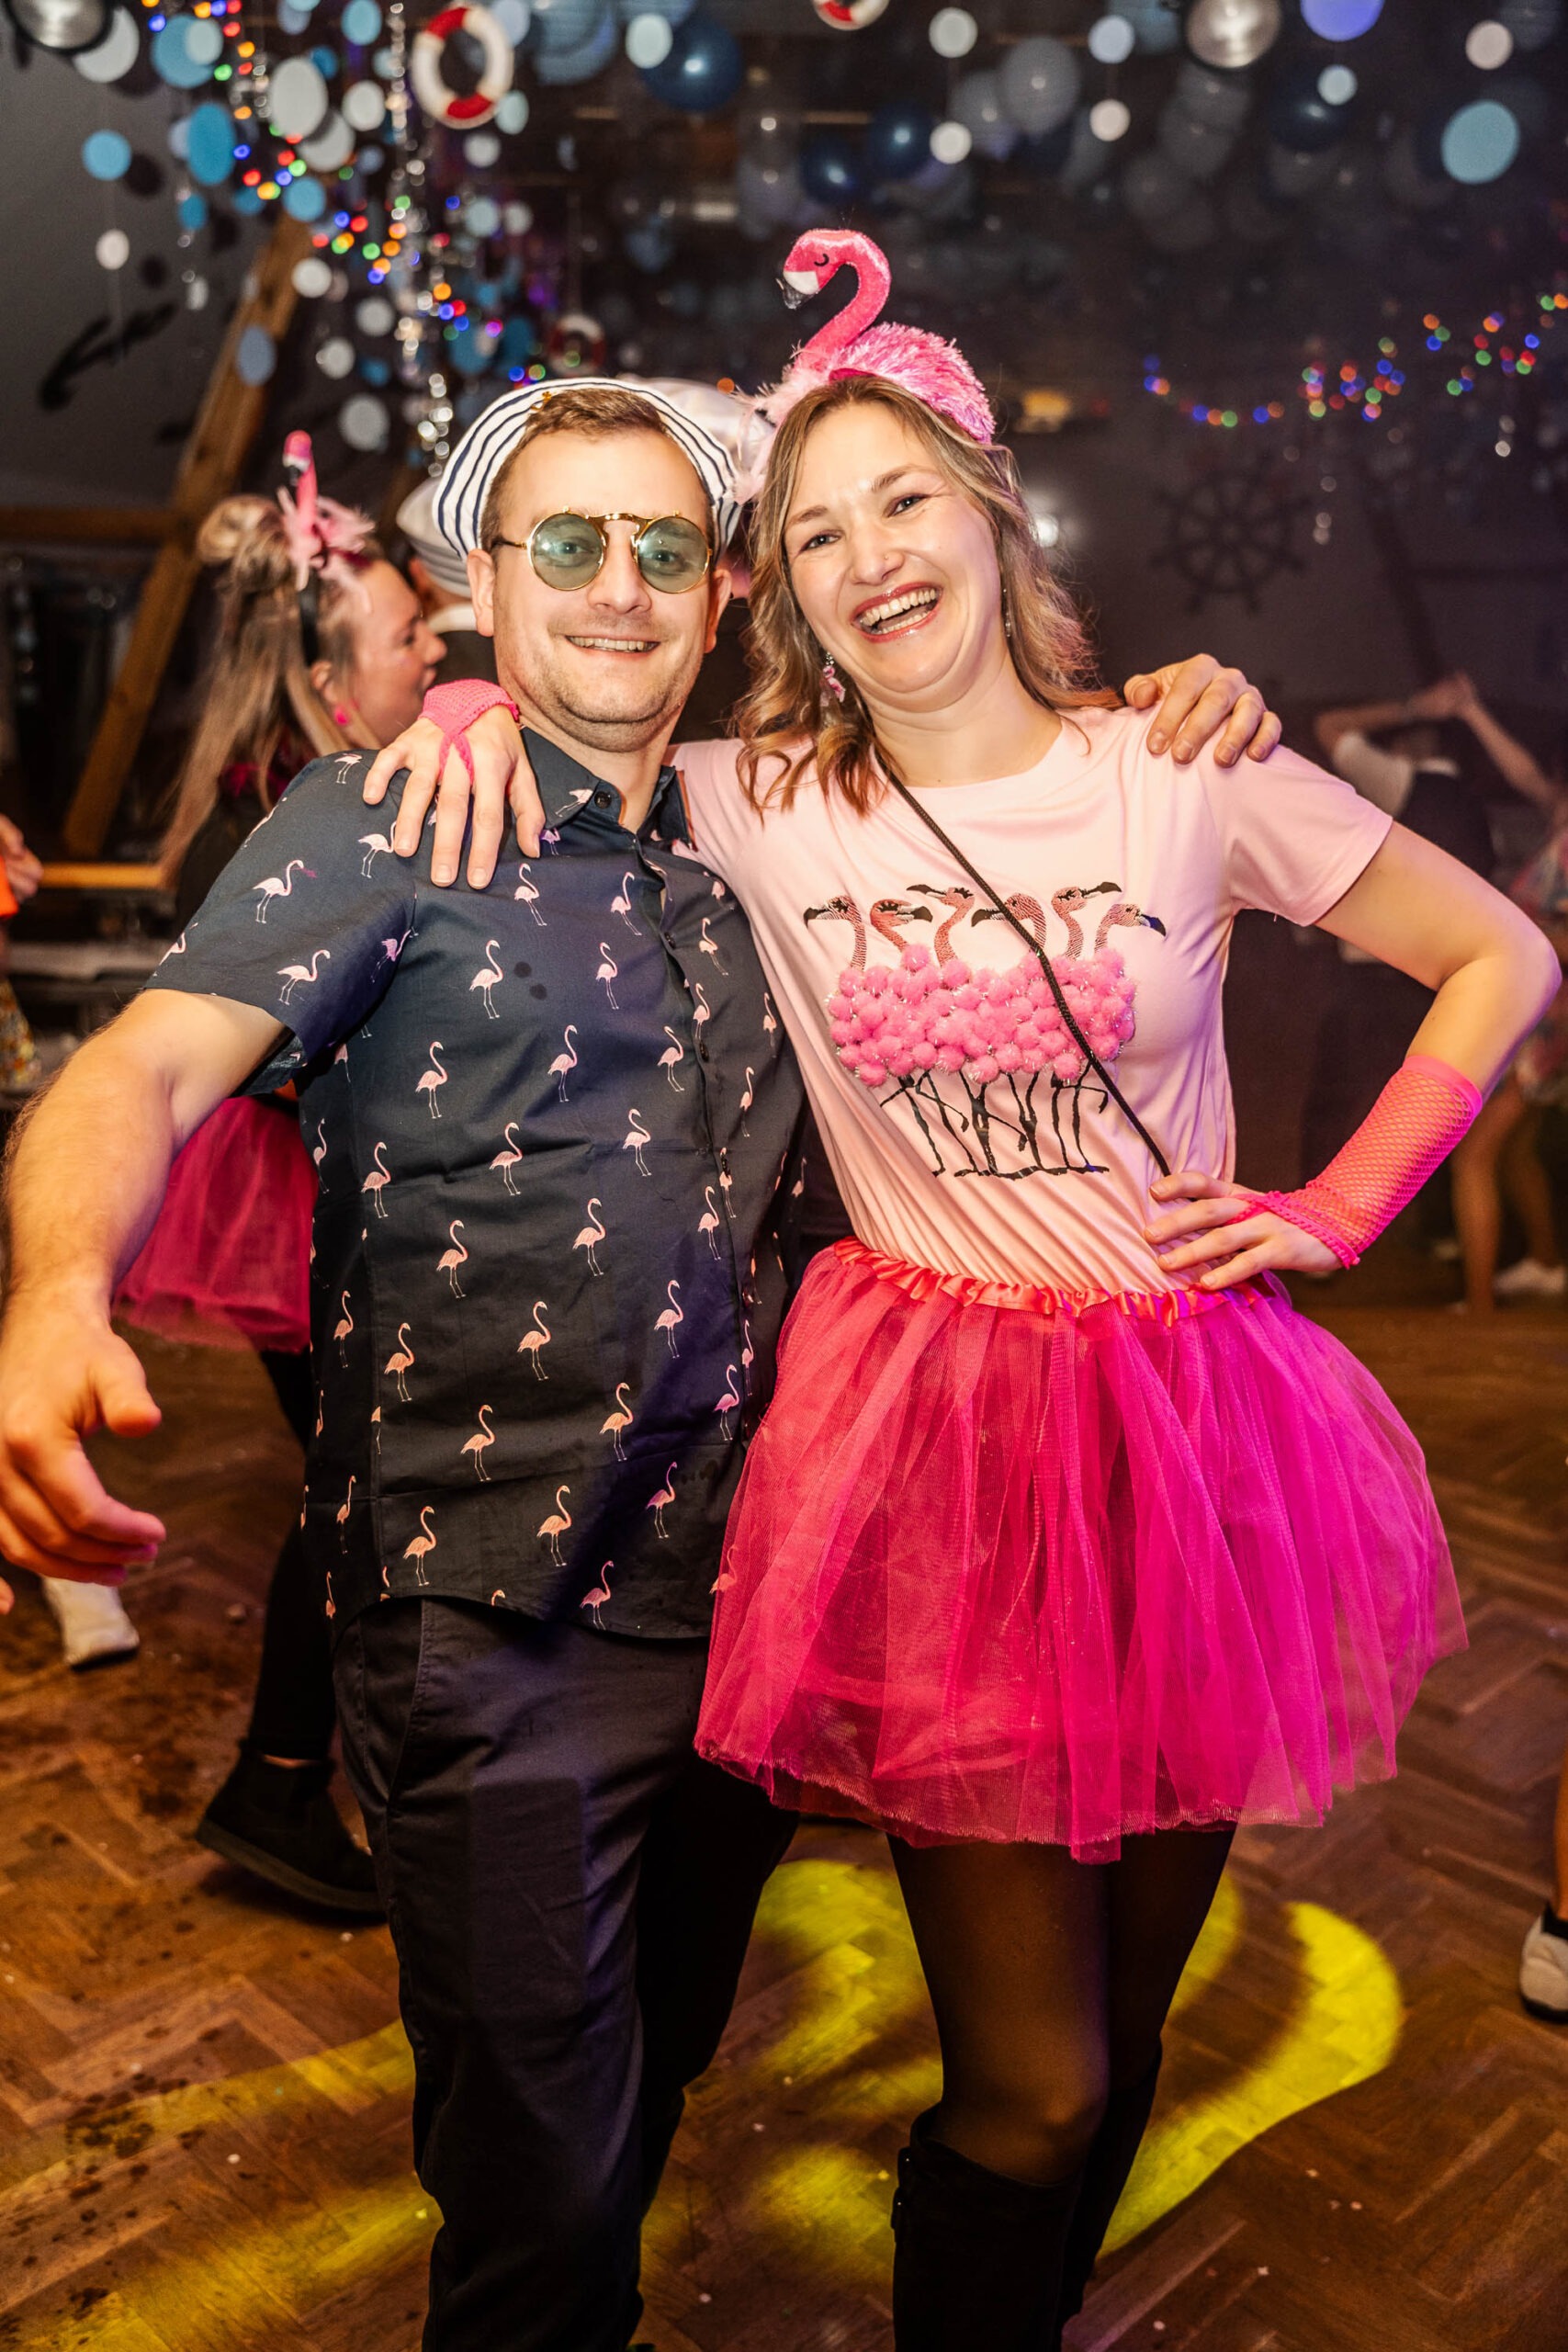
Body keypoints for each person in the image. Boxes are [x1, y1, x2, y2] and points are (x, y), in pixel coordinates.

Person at [0, 360, 1277, 2352]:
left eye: (664, 548)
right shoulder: (384, 820)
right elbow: (146, 1064)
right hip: (495, 1623)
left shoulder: (778, 823)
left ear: (722, 588)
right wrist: (56, 1292)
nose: (618, 586)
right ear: (484, 587)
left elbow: (1009, 767)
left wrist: (1173, 706)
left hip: (761, 1623)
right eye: (570, 545)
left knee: (656, 2074)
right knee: (545, 2202)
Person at [393, 240, 1558, 2350]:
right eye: (811, 532)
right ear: (781, 590)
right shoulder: (758, 800)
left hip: (1199, 1448)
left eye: (899, 499)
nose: (865, 557)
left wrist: (1343, 1201)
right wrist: (470, 696)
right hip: (935, 1450)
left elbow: (1499, 950)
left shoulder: (1182, 763)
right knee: (1037, 2080)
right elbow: (567, 731)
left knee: (1119, 2036)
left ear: (992, 511)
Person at [116, 434, 441, 1913]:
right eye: (408, 633)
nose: (433, 649)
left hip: (311, 1191)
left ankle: (311, 1767)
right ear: (327, 679)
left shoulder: (323, 785)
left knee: (359, 1479)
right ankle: (282, 1779)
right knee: (356, 1483)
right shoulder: (289, 816)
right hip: (298, 1204)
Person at [1304, 682, 1496, 1199]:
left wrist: (1410, 706)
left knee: (1345, 1109)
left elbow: (1330, 727)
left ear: (1407, 742)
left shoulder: (1403, 781)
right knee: (1421, 1118)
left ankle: (1320, 1217)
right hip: (1443, 983)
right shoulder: (1476, 812)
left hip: (1377, 977)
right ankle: (1421, 1226)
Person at [1423, 675, 1567, 1312]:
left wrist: (1507, 932)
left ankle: (1477, 1305)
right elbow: (1526, 774)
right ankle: (1545, 1265)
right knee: (1515, 1153)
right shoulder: (1561, 817)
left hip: (1549, 1025)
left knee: (1473, 1157)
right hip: (1539, 1017)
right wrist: (1473, 709)